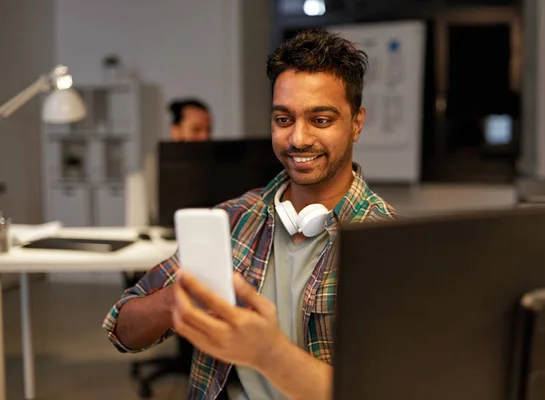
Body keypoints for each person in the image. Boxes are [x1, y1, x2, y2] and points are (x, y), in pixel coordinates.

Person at [103, 30, 398, 400]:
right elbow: (121, 328)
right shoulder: (234, 219)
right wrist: (173, 300)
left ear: (356, 123)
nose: (298, 139)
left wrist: (267, 353)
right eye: (284, 119)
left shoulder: (390, 243)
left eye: (321, 120)